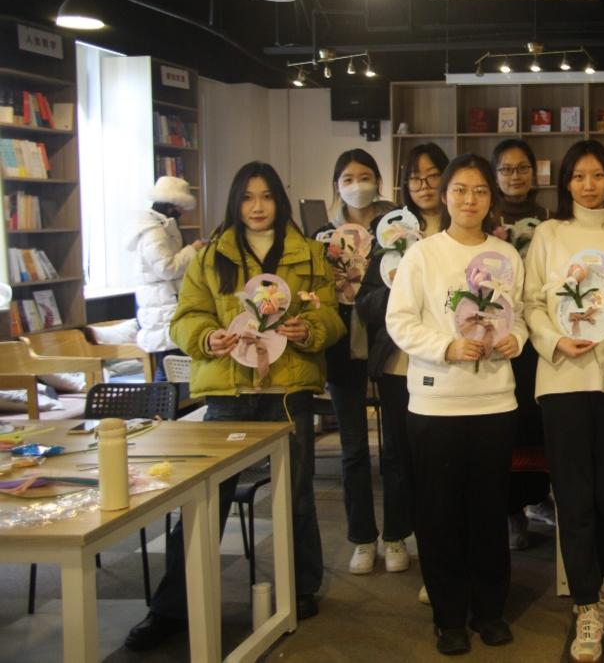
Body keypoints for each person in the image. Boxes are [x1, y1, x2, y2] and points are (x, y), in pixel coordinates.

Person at [124, 161, 344, 651]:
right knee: (205, 500)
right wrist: (207, 337)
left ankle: (300, 588)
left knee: (297, 497)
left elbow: (330, 318)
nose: (258, 207)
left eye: (266, 196)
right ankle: (171, 607)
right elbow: (186, 318)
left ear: (279, 201)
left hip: (287, 391)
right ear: (235, 202)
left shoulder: (309, 253)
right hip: (228, 393)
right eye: (247, 197)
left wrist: (309, 329)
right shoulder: (210, 256)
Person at [385, 153, 527, 656]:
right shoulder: (422, 255)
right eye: (460, 190)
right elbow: (400, 321)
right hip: (436, 404)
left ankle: (489, 611)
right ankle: (448, 618)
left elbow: (519, 314)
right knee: (439, 514)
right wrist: (446, 347)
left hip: (494, 402)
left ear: (492, 199)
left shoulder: (506, 255)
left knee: (488, 511)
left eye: (480, 191)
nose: (470, 200)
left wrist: (516, 338)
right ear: (444, 196)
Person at [523, 140, 604, 663]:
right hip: (562, 378)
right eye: (578, 176)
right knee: (572, 496)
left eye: (598, 175)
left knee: (603, 495)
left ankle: (595, 590)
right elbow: (530, 302)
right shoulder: (548, 234)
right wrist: (555, 341)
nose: (589, 185)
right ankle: (585, 606)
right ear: (566, 183)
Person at [355, 142, 450, 602]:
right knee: (397, 454)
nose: (424, 185)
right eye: (415, 177)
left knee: (439, 459)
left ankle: (440, 554)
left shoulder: (462, 228)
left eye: (433, 175)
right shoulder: (391, 233)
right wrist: (398, 292)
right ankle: (395, 534)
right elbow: (366, 301)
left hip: (448, 364)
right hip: (398, 363)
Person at [315, 149, 404, 575]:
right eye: (348, 178)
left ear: (378, 181)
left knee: (396, 447)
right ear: (336, 185)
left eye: (365, 176)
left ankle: (397, 533)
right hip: (341, 346)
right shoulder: (321, 237)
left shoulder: (398, 231)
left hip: (389, 341)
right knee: (352, 449)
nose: (357, 185)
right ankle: (363, 538)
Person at [491, 138, 554, 550]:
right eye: (506, 169)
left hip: (540, 333)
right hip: (500, 334)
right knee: (506, 423)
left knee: (537, 419)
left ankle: (537, 496)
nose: (514, 176)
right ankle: (511, 510)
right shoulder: (486, 218)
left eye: (522, 168)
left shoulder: (549, 219)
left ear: (534, 172)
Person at [126, 175, 206, 381]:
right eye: (181, 208)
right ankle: (162, 402)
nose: (182, 213)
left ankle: (166, 401)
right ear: (172, 206)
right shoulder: (154, 232)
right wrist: (193, 249)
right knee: (169, 366)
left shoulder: (158, 226)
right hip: (162, 304)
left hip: (163, 302)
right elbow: (167, 268)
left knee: (170, 366)